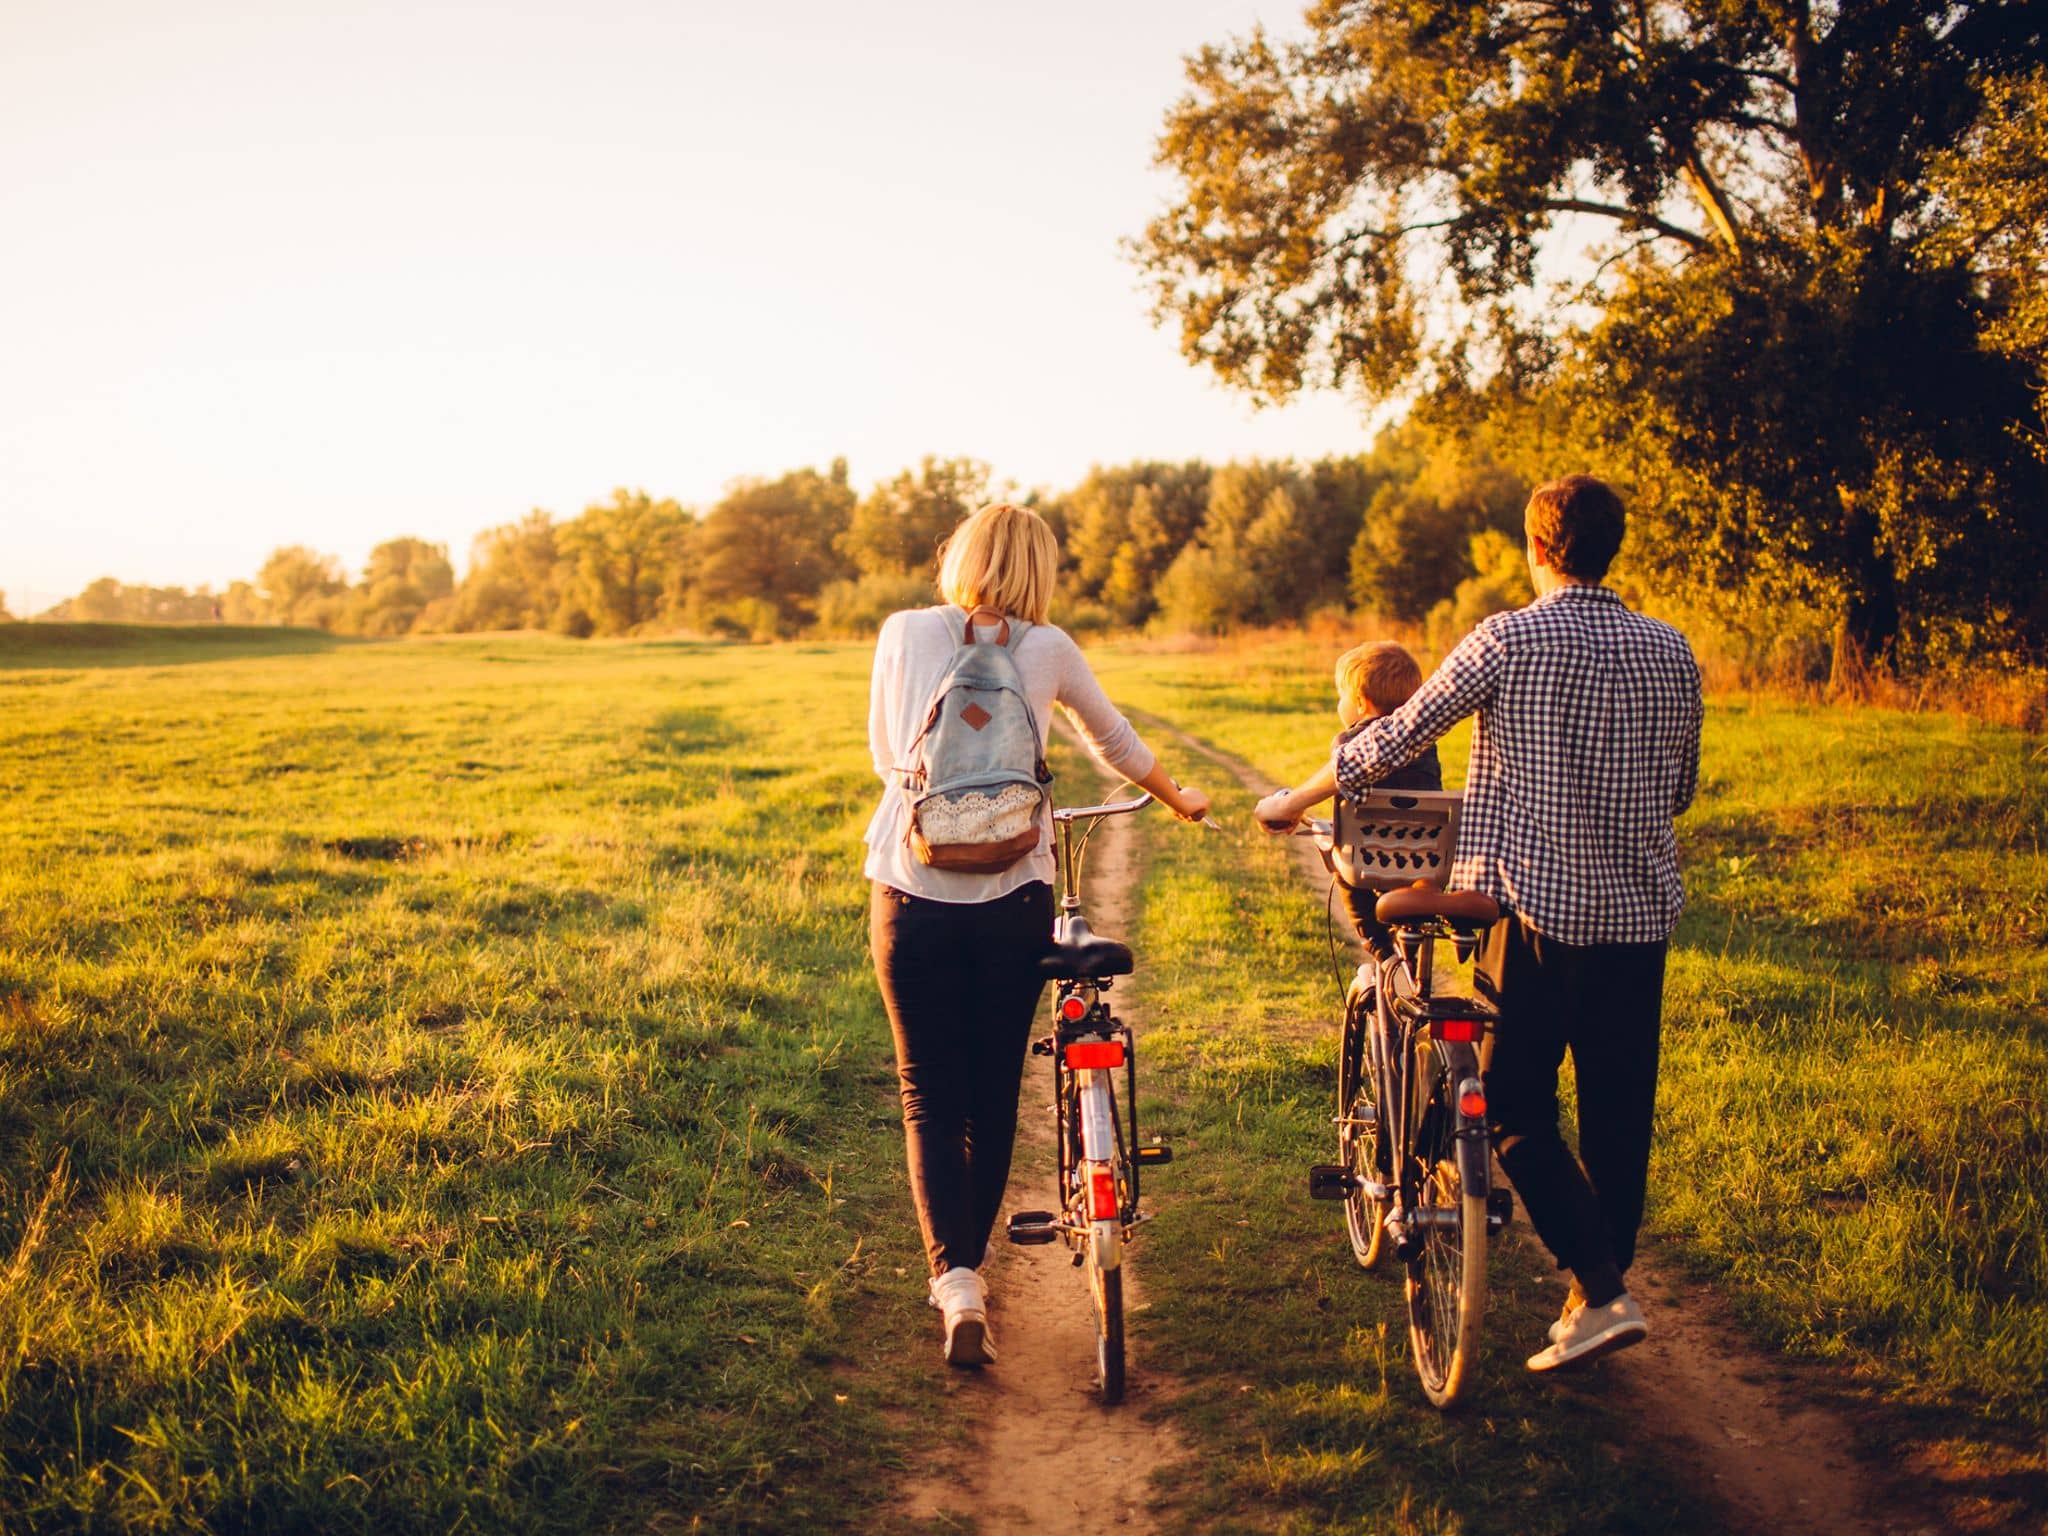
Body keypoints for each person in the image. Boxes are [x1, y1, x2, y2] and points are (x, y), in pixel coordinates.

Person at [1255, 475, 1702, 1372]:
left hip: (1533, 912)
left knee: (1511, 1104)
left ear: (1535, 549)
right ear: (1612, 549)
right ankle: (1592, 1292)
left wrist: (1292, 799)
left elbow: (1382, 744)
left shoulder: (1508, 637)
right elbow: (1681, 789)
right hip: (1640, 919)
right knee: (1619, 1116)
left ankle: (1602, 1290)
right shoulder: (1671, 649)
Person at [864, 501, 1211, 1367]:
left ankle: (958, 1288)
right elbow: (1115, 744)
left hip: (912, 890)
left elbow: (885, 757)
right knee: (988, 1097)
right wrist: (1182, 798)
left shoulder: (904, 631)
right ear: (1040, 572)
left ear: (961, 558)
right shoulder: (1048, 647)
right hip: (1014, 897)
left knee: (926, 1098)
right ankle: (972, 1263)